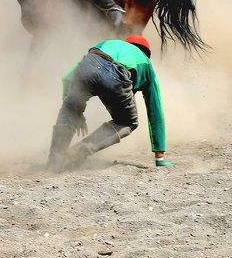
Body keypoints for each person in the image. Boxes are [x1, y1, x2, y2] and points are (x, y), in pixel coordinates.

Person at [47, 35, 170, 172]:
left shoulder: (108, 43)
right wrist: (160, 155)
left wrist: (74, 108)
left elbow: (67, 78)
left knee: (69, 109)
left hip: (90, 61)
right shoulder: (146, 63)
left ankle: (54, 160)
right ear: (146, 53)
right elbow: (155, 109)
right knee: (127, 122)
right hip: (116, 74)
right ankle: (78, 152)